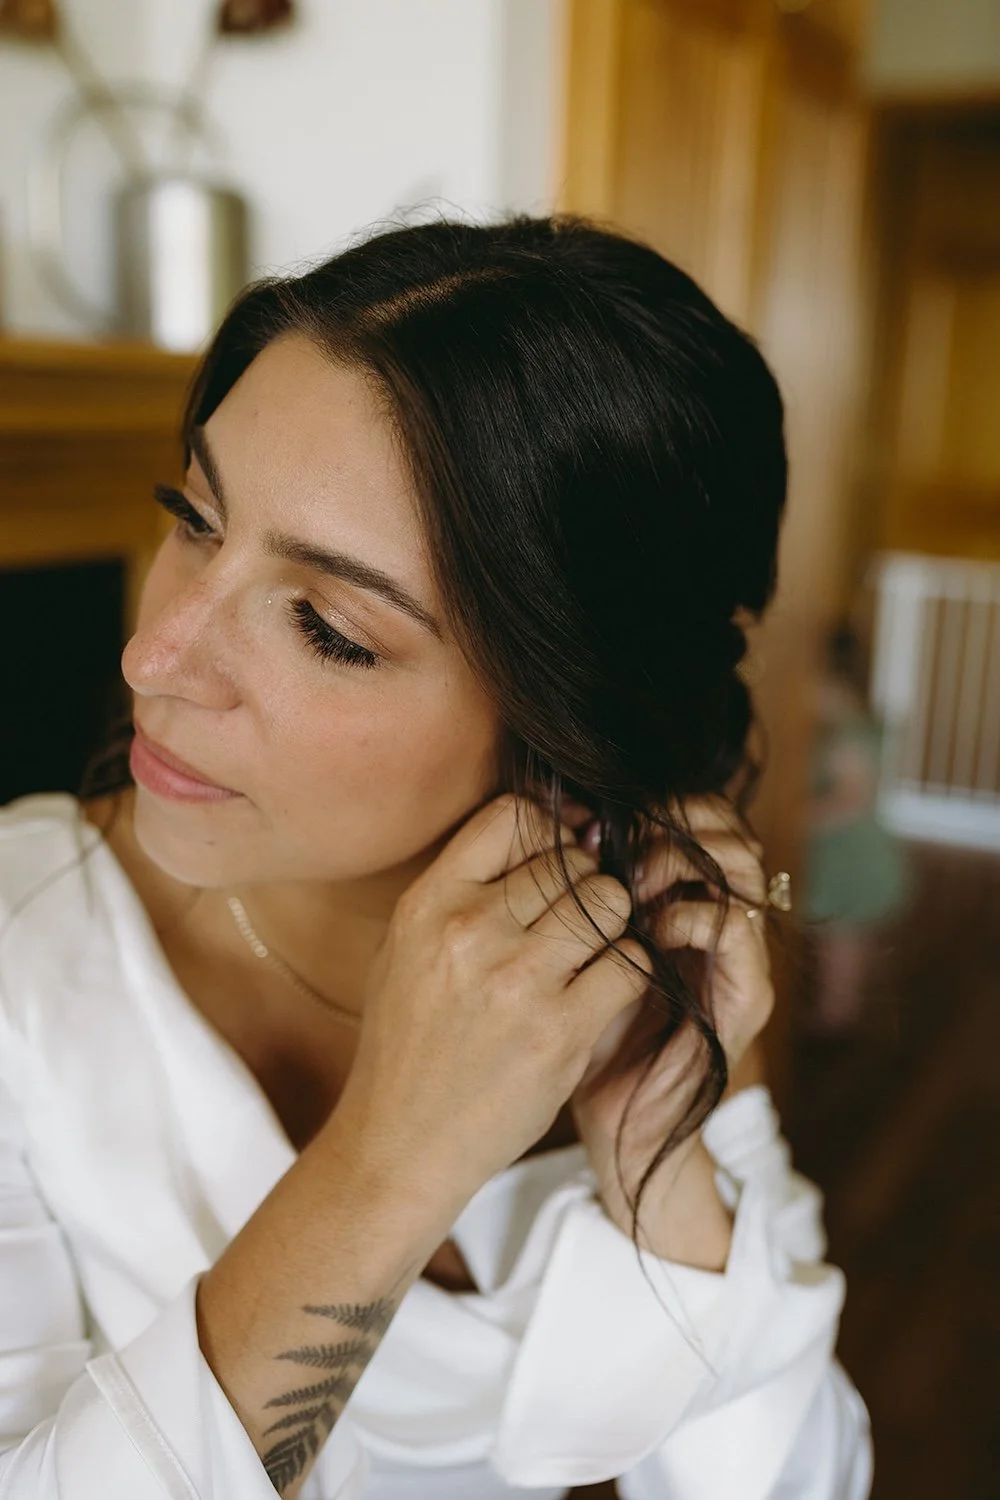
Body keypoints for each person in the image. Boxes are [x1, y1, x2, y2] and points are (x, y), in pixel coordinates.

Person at [0, 215, 872, 1500]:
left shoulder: (629, 988)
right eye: (193, 518)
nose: (154, 659)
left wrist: (666, 1173)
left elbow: (801, 1478)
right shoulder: (28, 959)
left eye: (326, 626)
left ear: (566, 723)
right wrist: (388, 1165)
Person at [801, 622, 912, 1035]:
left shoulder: (844, 736)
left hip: (849, 856)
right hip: (851, 851)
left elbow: (851, 800)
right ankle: (848, 1001)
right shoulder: (847, 726)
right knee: (846, 938)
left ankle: (837, 1013)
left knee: (839, 940)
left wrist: (797, 819)